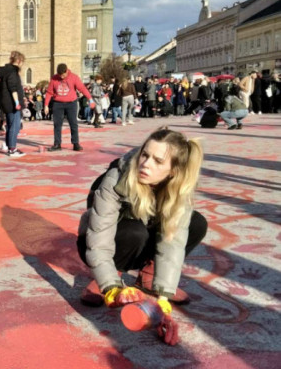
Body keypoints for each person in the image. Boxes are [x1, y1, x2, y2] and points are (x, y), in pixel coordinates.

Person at [77, 127, 207, 345]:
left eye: (158, 161)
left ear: (173, 171)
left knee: (196, 222)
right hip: (98, 239)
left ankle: (148, 277)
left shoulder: (179, 188)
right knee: (133, 232)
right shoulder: (116, 179)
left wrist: (162, 299)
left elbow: (172, 242)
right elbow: (99, 238)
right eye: (145, 155)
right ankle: (108, 275)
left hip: (142, 231)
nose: (145, 164)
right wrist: (110, 288)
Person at [44, 64, 92, 152]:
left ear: (66, 71)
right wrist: (46, 105)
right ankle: (57, 144)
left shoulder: (74, 77)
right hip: (58, 103)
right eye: (60, 75)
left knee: (73, 123)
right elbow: (49, 92)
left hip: (71, 103)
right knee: (57, 124)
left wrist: (90, 99)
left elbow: (82, 88)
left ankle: (75, 143)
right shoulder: (54, 78)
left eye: (63, 75)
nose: (62, 77)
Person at [0, 51, 26, 157]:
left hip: (6, 102)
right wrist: (17, 102)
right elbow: (13, 88)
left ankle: (10, 146)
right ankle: (12, 149)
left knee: (10, 125)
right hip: (12, 103)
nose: (22, 64)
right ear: (18, 61)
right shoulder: (12, 72)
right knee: (15, 126)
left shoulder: (6, 71)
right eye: (22, 62)